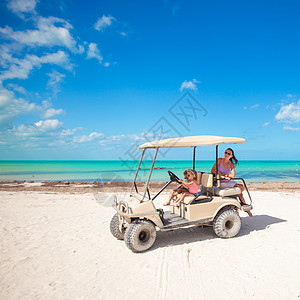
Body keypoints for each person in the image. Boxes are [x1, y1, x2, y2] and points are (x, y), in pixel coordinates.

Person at [211, 148, 252, 217]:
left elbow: (233, 175)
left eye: (228, 154)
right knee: (240, 190)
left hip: (227, 181)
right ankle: (245, 207)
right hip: (220, 182)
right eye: (226, 152)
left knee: (241, 188)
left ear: (231, 156)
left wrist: (227, 176)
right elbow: (213, 170)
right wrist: (222, 175)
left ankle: (244, 205)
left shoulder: (231, 164)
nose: (226, 154)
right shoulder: (219, 160)